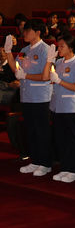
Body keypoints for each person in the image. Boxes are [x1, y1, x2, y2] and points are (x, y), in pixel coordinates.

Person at [4, 19, 53, 176]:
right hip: (26, 96)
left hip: (41, 97)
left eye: (27, 31)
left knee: (41, 131)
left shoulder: (46, 50)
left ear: (37, 32)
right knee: (30, 130)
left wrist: (26, 75)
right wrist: (8, 53)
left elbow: (46, 76)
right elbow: (16, 69)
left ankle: (45, 163)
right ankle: (35, 160)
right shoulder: (25, 49)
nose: (24, 33)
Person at [45, 33, 75, 183]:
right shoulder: (59, 62)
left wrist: (59, 81)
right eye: (58, 46)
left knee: (72, 140)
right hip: (56, 106)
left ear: (71, 47)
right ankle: (65, 168)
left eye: (62, 46)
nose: (59, 49)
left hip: (70, 108)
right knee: (60, 140)